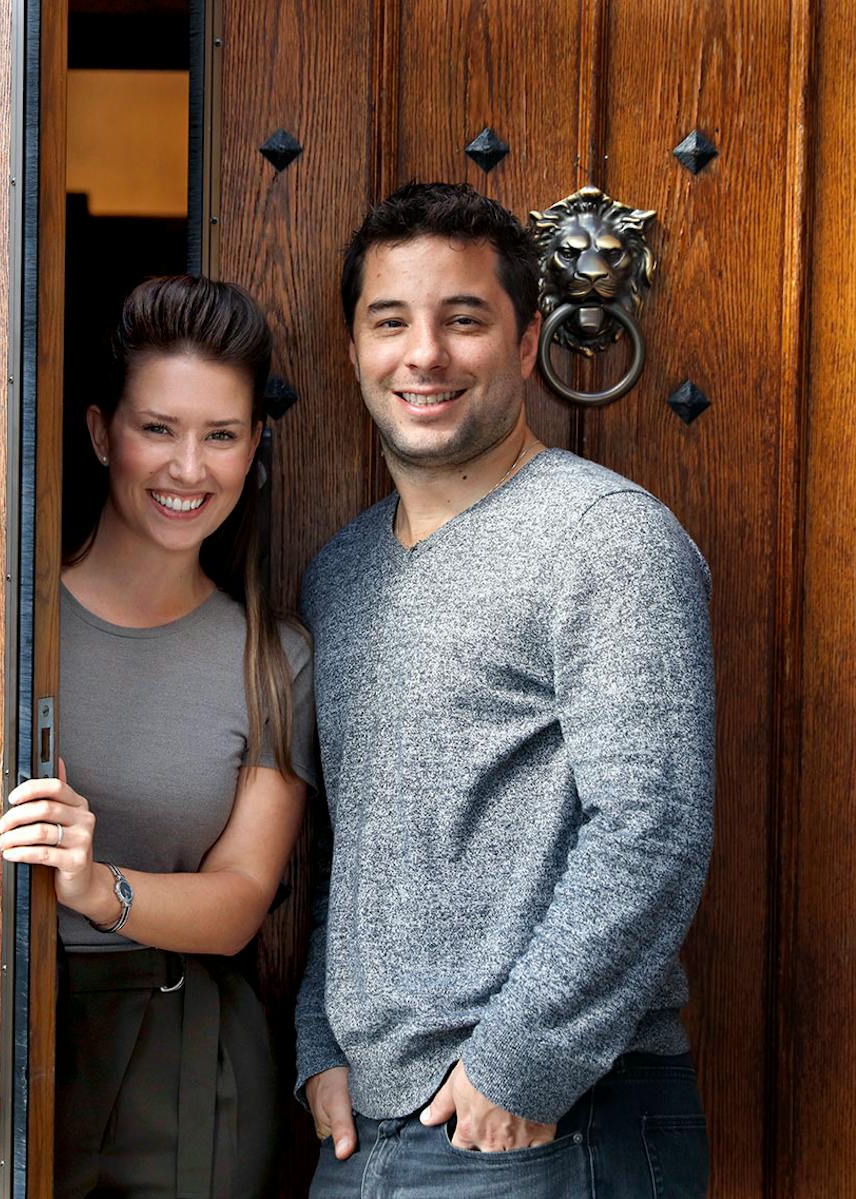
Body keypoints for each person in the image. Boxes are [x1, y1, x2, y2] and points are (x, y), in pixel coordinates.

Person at [297, 183, 714, 1198]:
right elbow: (352, 842)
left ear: (525, 344)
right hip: (368, 1138)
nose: (423, 353)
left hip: (548, 1125)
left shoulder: (602, 538)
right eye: (388, 321)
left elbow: (651, 824)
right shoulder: (338, 574)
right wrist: (320, 1036)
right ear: (354, 350)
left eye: (463, 319)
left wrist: (516, 1066)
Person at [0, 275, 317, 1198]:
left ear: (254, 444)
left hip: (186, 1054)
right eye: (158, 429)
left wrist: (99, 888)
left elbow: (241, 899)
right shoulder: (0, 629)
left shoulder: (274, 658)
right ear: (102, 433)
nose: (188, 469)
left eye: (221, 435)